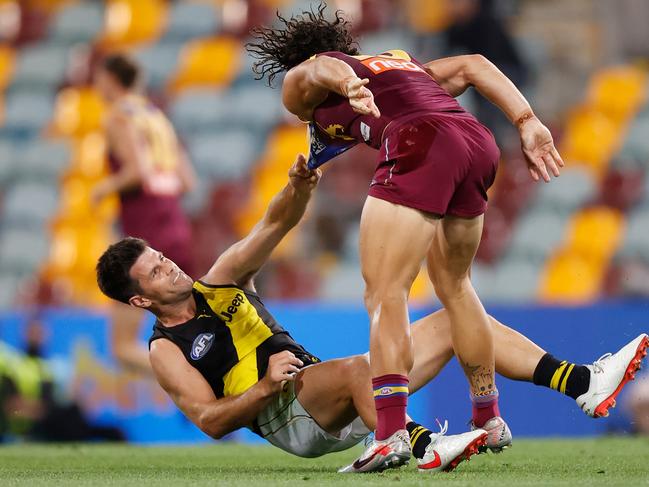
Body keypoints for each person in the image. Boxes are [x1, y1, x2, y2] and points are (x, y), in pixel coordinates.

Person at [95, 154, 648, 473]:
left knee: (455, 318)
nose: (170, 267)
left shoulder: (220, 280)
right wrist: (264, 388)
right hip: (285, 418)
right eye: (156, 272)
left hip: (321, 395)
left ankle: (581, 382)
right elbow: (209, 421)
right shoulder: (165, 349)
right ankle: (423, 445)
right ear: (139, 299)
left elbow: (273, 226)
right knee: (364, 369)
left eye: (164, 258)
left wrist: (298, 186)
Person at [246, 3, 565, 470]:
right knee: (455, 286)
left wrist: (344, 83)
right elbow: (474, 65)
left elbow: (319, 69)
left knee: (385, 292)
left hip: (420, 143)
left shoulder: (304, 84)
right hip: (474, 142)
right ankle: (488, 418)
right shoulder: (401, 66)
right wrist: (526, 120)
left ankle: (391, 431)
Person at [91, 54, 196, 374]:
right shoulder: (156, 117)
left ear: (110, 79)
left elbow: (137, 170)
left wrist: (103, 189)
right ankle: (204, 382)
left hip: (143, 240)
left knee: (122, 348)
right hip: (176, 226)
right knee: (189, 330)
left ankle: (194, 382)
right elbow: (188, 181)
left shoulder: (118, 117)